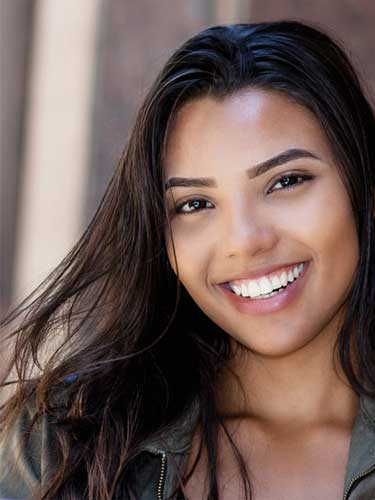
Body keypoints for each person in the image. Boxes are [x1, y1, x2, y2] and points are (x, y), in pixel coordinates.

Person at [1, 19, 375, 500]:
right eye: (195, 204)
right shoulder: (64, 445)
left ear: (360, 181)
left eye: (286, 181)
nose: (244, 241)